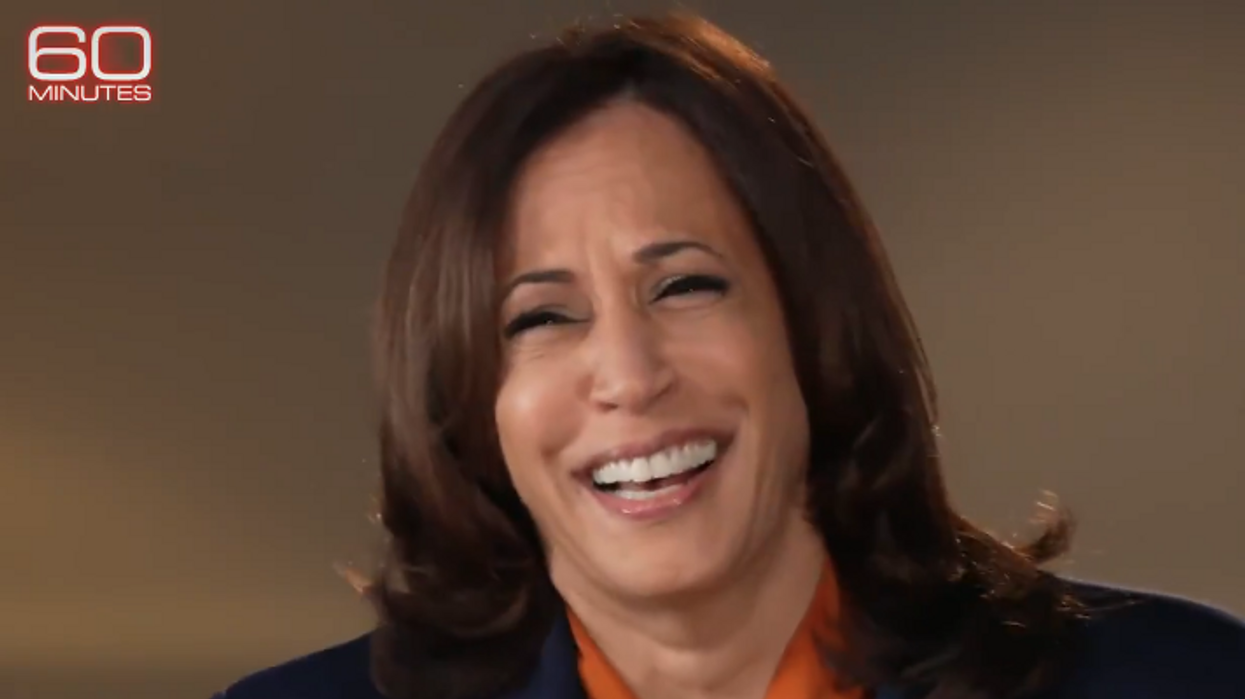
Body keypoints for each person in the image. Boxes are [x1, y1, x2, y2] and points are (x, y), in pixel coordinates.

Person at [214, 12, 1245, 699]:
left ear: (810, 320)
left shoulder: (1184, 681)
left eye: (685, 286)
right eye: (541, 318)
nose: (629, 375)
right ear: (471, 403)